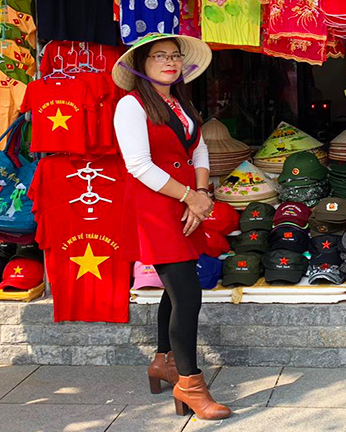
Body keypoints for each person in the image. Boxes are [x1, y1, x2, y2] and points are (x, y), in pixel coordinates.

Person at [112, 33, 231, 420]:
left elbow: (197, 148)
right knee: (188, 294)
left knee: (175, 290)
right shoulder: (131, 106)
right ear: (141, 65)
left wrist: (200, 192)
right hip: (156, 208)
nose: (169, 62)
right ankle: (190, 384)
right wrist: (189, 197)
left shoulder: (179, 103)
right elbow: (139, 165)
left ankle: (164, 361)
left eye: (175, 56)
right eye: (159, 56)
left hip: (184, 203)